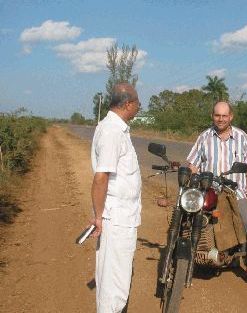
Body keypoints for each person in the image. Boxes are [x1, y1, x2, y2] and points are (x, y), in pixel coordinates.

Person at [186, 101, 247, 289]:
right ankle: (189, 259)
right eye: (217, 115)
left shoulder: (241, 137)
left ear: (231, 116)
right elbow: (193, 164)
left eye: (224, 116)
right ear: (212, 116)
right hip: (208, 191)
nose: (221, 119)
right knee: (190, 218)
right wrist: (191, 180)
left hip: (235, 191)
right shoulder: (204, 137)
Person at [89, 82, 142, 312]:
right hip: (115, 220)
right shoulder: (112, 131)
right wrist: (99, 217)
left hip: (123, 218)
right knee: (113, 285)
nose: (139, 107)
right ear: (128, 103)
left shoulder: (117, 128)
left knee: (117, 278)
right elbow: (101, 178)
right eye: (138, 103)